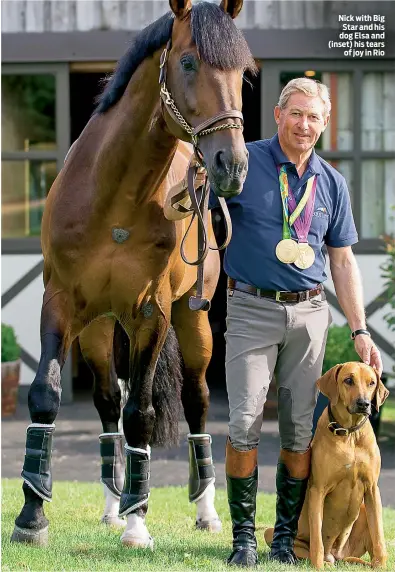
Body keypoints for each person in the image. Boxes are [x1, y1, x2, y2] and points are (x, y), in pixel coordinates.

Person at [209, 78, 383, 567]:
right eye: (297, 114)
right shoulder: (246, 161)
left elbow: (343, 261)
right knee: (243, 421)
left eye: (314, 117)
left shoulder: (332, 183)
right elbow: (201, 221)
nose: (304, 125)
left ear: (324, 124)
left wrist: (361, 330)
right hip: (250, 307)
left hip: (310, 313)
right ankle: (244, 536)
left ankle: (285, 537)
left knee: (298, 432)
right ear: (278, 114)